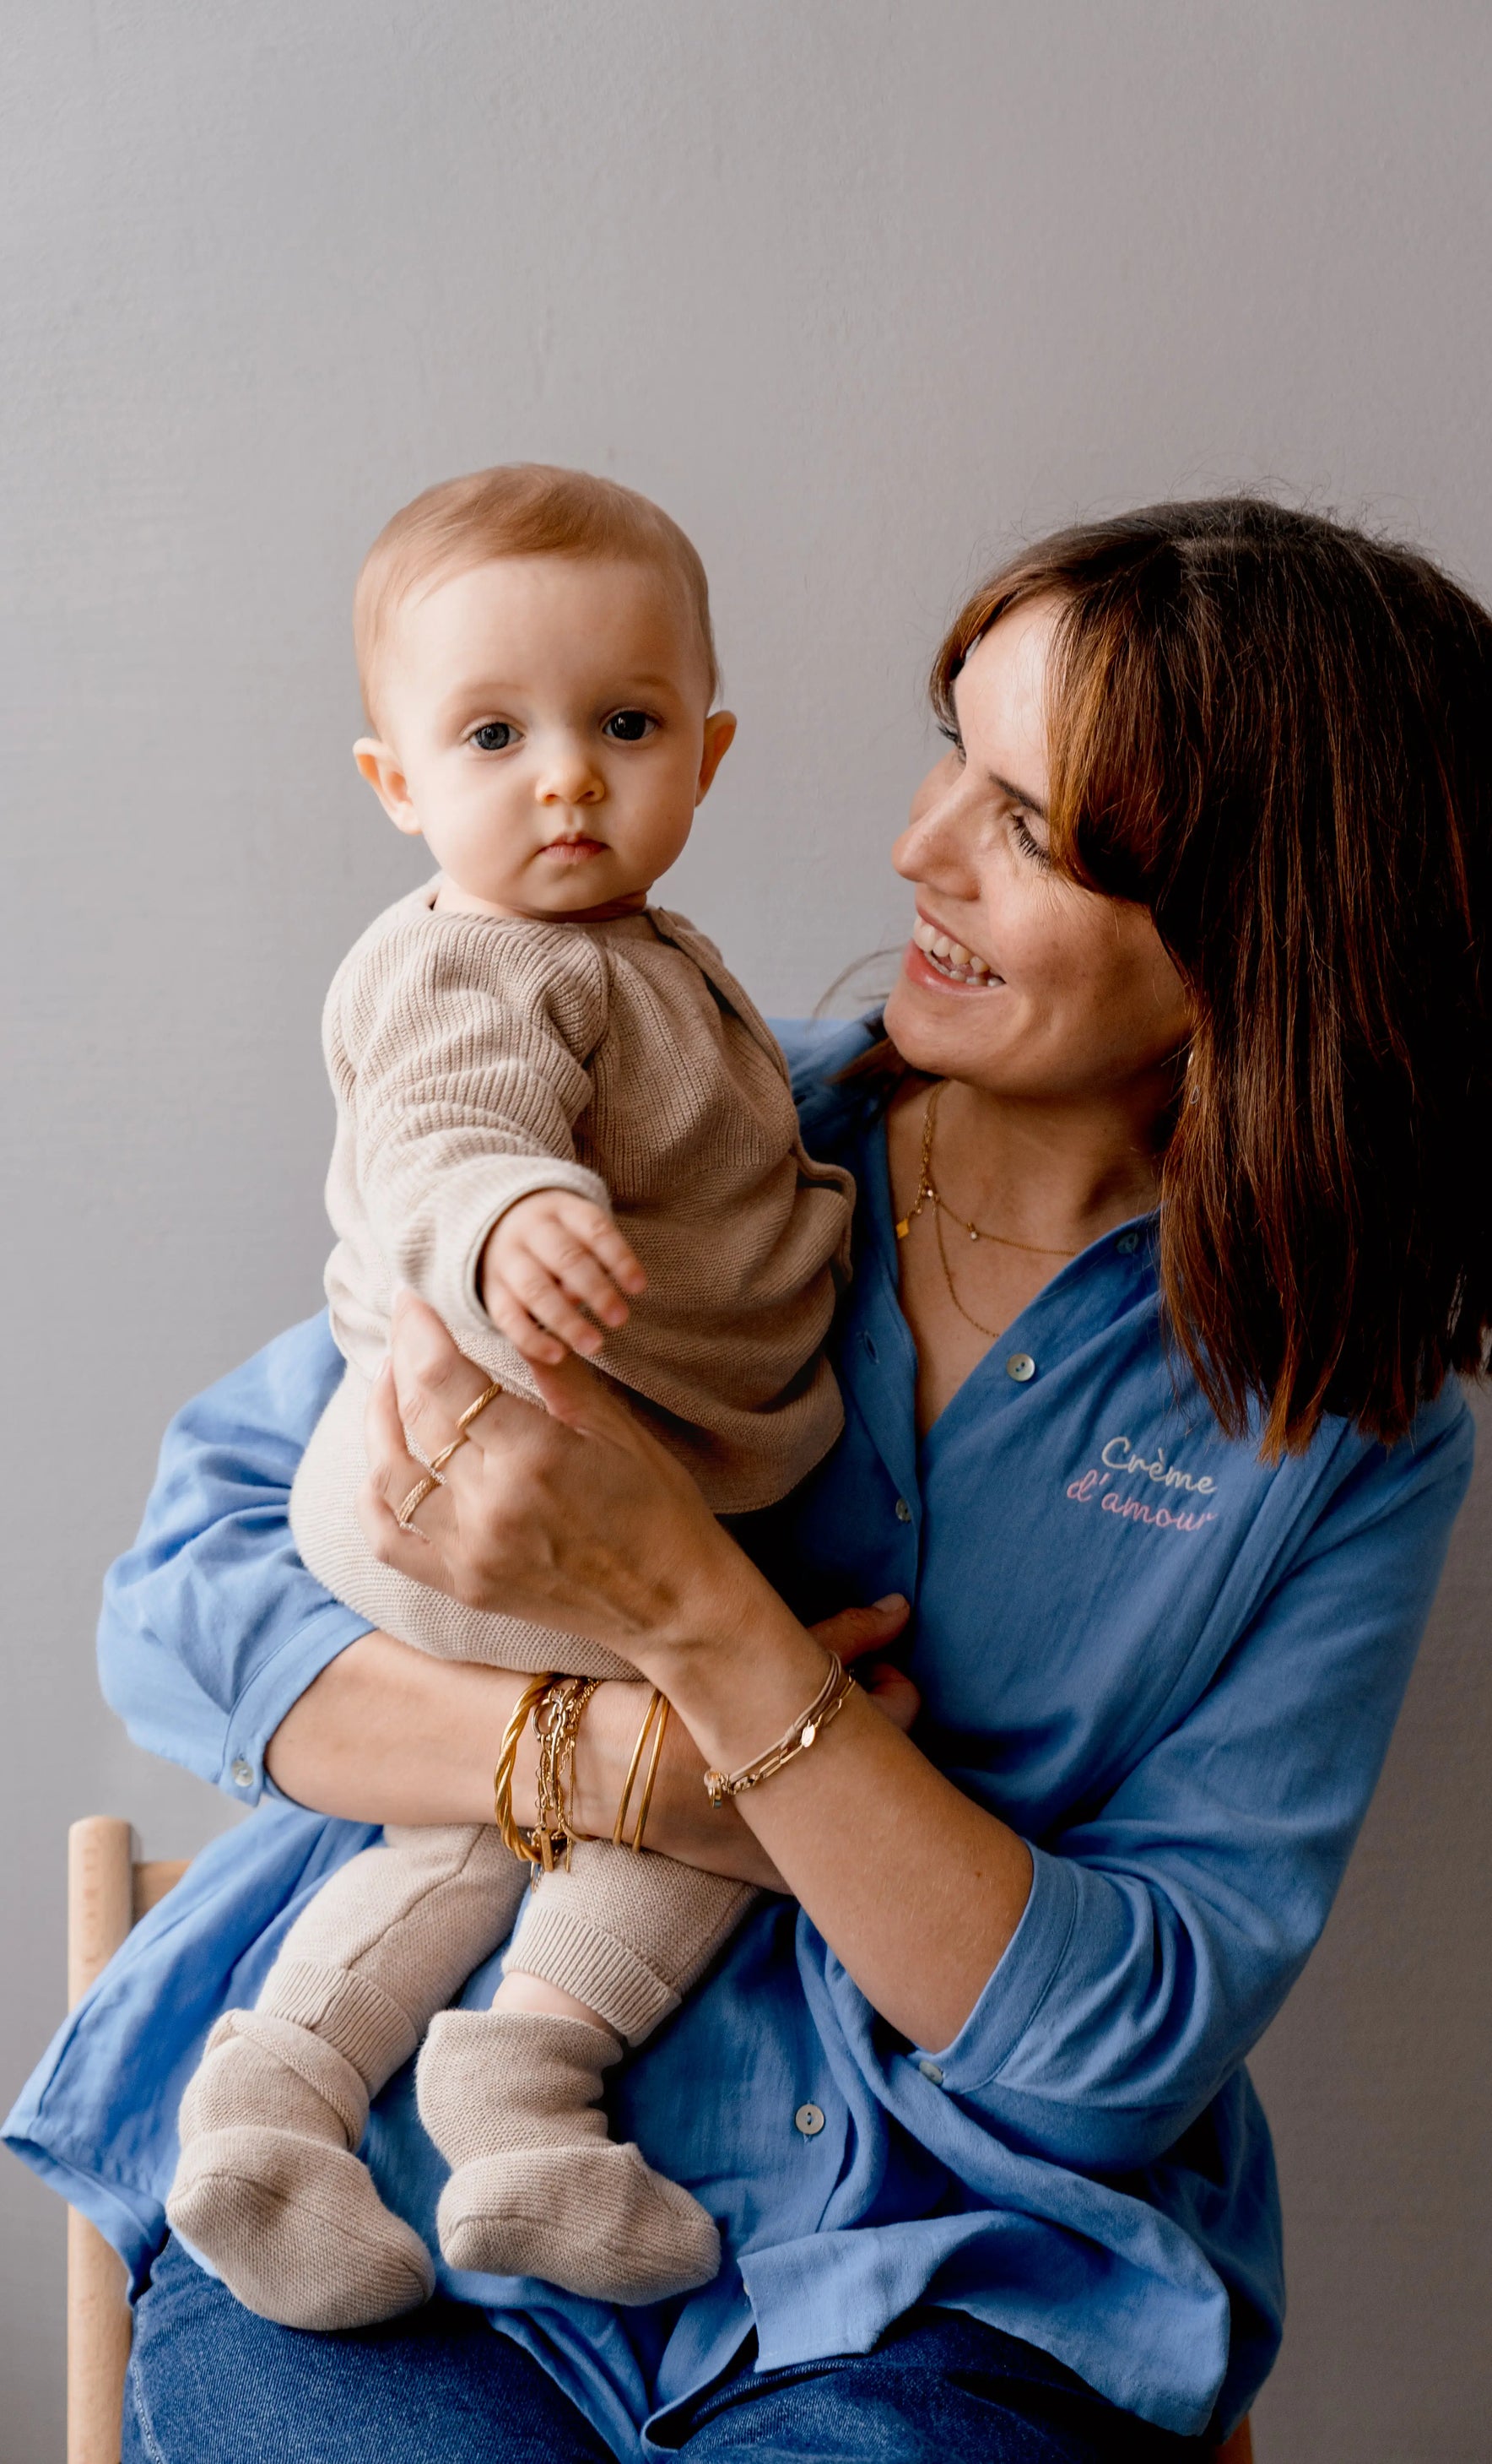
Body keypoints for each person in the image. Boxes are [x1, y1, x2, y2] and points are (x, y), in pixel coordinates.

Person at [5, 498, 1492, 2464]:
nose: (918, 844)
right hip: (398, 2201)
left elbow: (1118, 2038)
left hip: (947, 2290)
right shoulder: (672, 1145)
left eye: (1028, 825)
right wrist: (616, 1767)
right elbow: (184, 1607)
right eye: (955, 754)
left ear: (1263, 927)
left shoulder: (1330, 1431)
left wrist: (694, 1606)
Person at [167, 463, 857, 2330]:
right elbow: (438, 1126)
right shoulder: (474, 963)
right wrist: (509, 1219)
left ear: (707, 753)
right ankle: (527, 2082)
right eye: (493, 733)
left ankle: (270, 2098)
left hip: (487, 1500)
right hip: (478, 1490)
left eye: (623, 725)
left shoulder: (644, 958)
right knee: (764, 1760)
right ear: (397, 783)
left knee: (461, 1832)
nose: (565, 776)